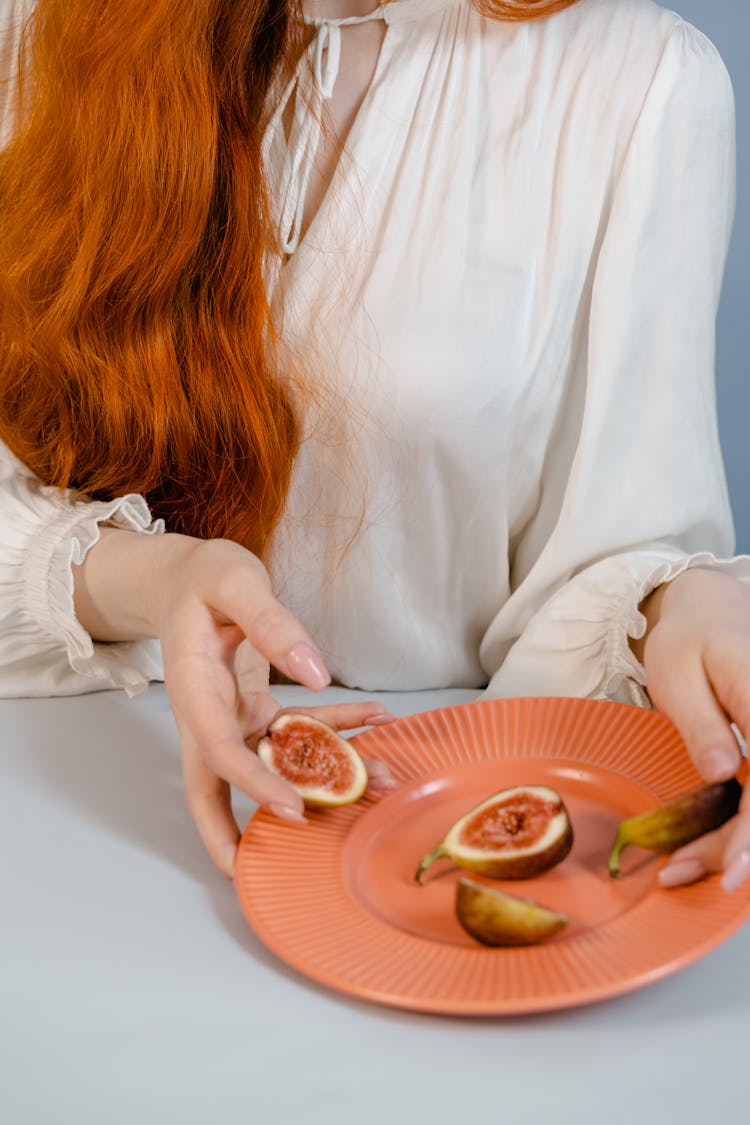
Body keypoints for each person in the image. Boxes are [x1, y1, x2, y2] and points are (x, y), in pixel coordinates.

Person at [1, 0, 749, 889]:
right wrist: (155, 580)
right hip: (72, 807)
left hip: (420, 833)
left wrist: (677, 605)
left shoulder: (644, 79)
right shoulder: (36, 26)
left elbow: (624, 549)